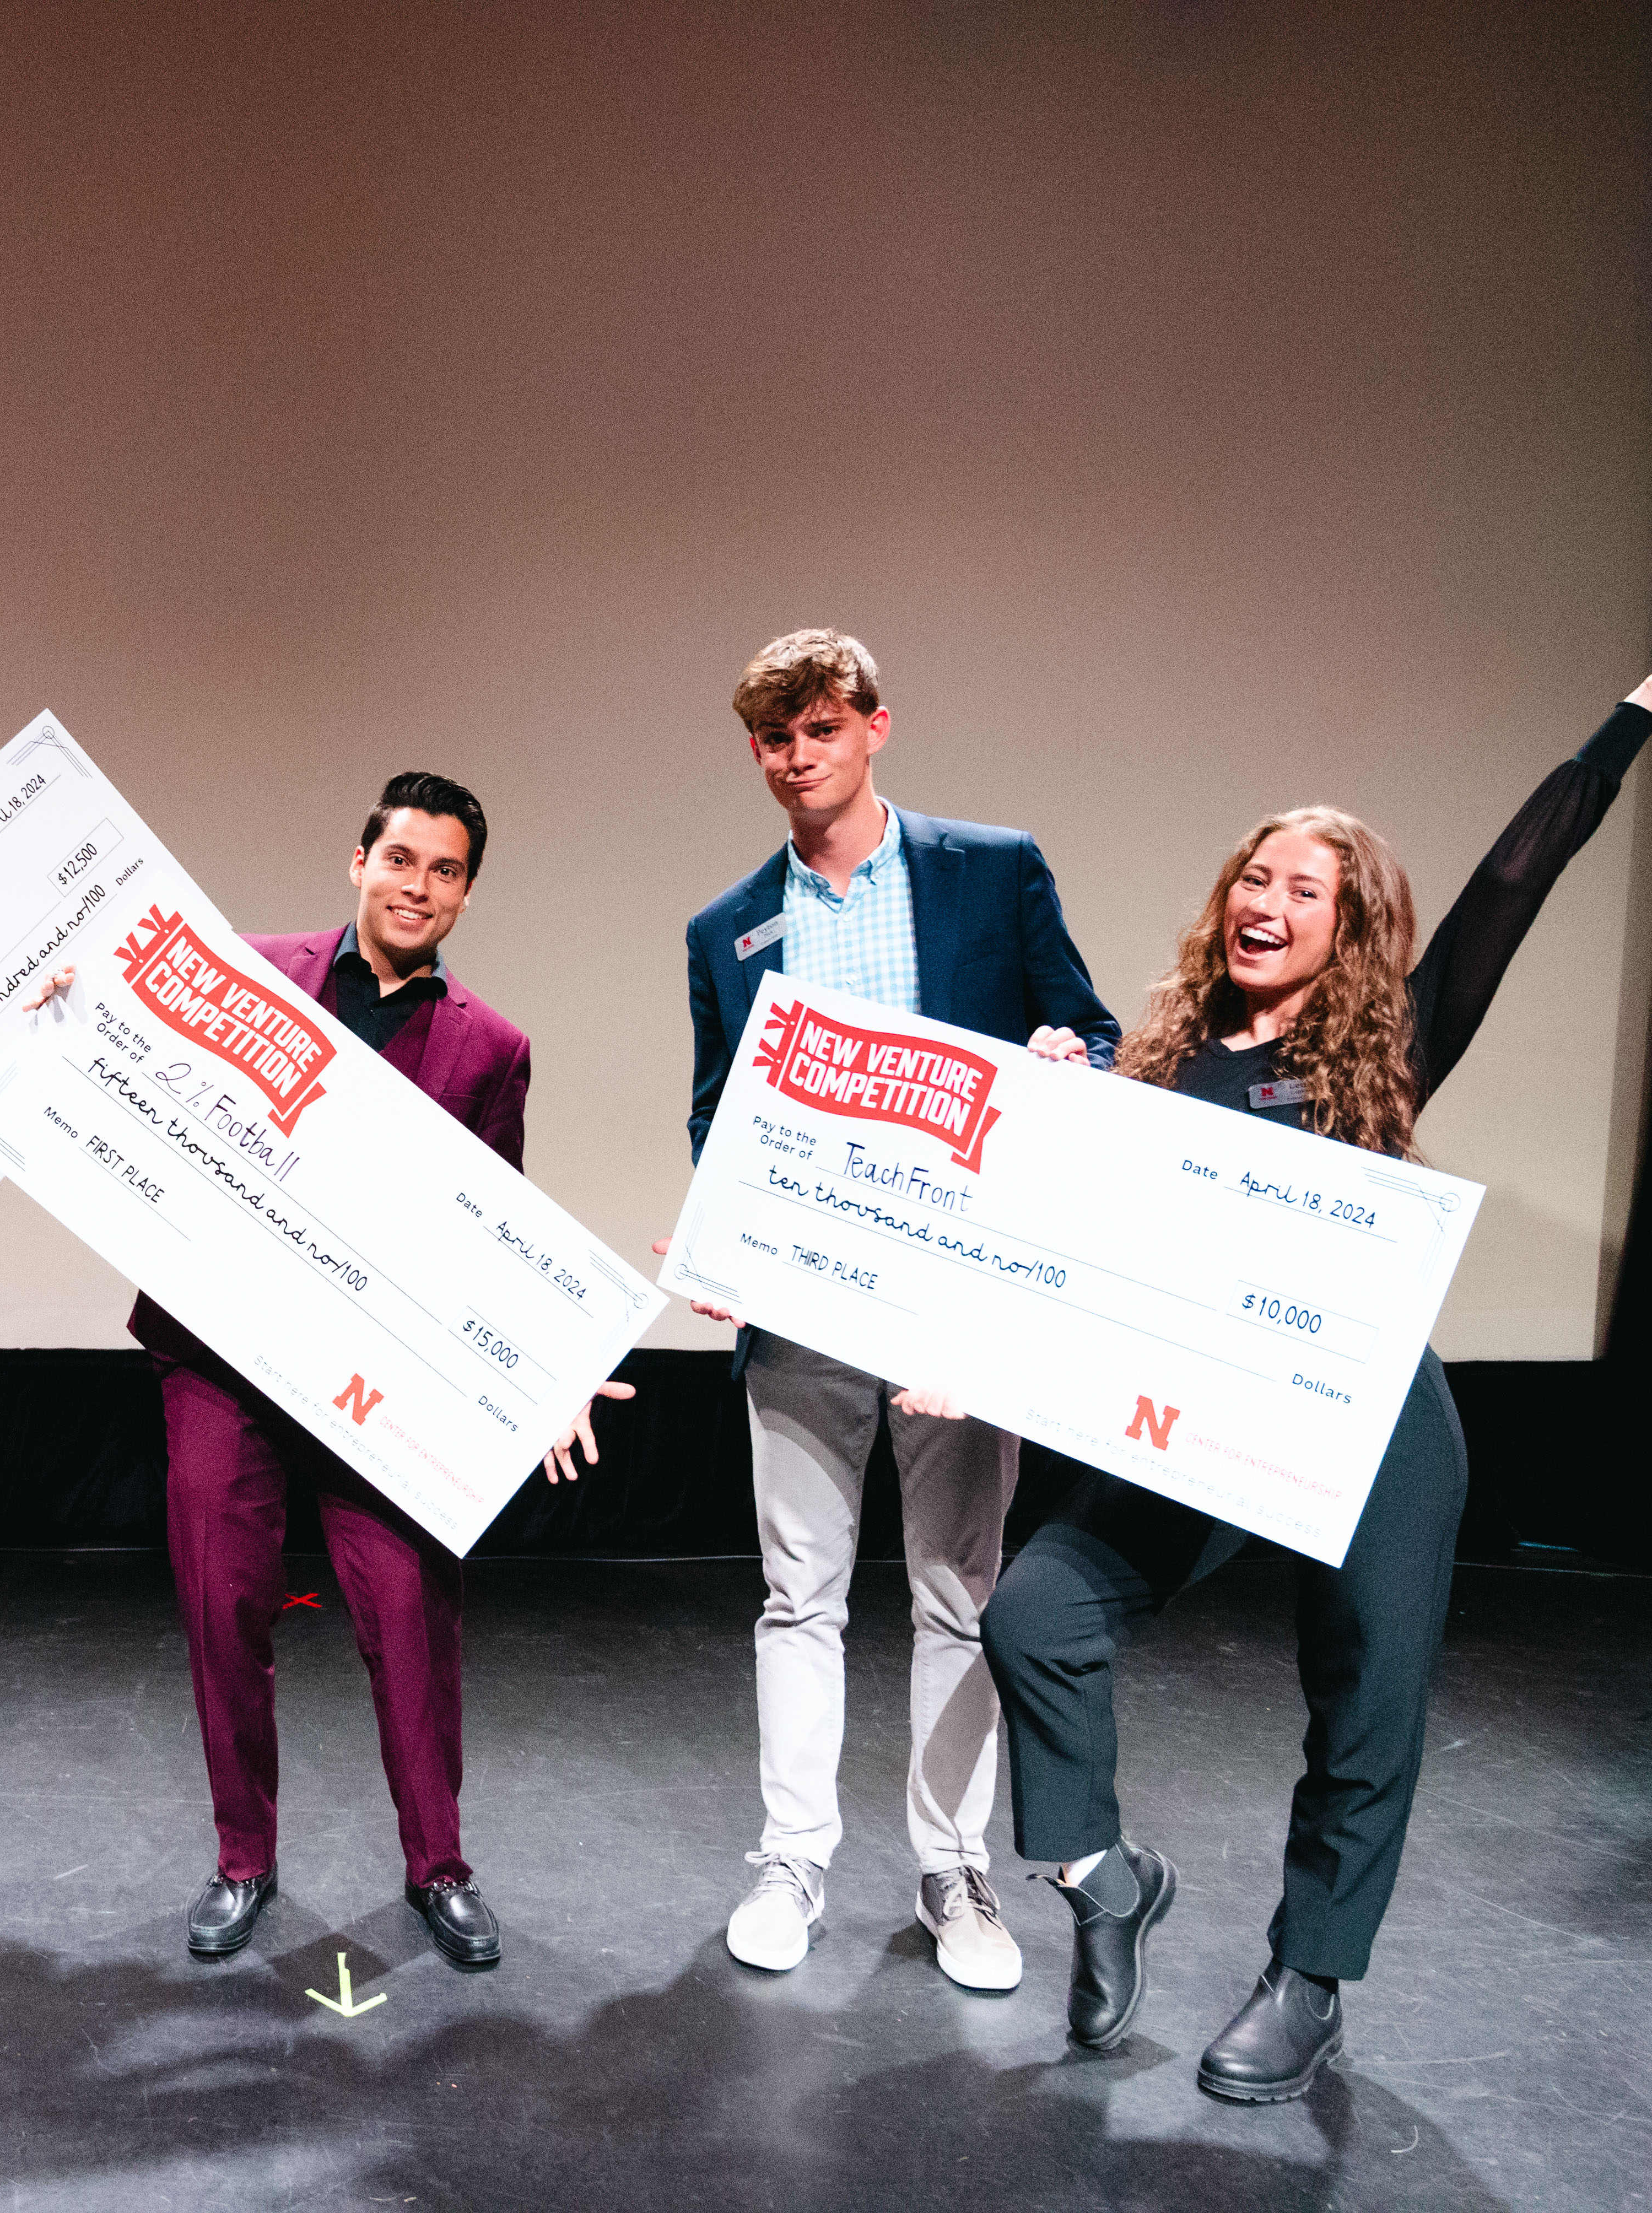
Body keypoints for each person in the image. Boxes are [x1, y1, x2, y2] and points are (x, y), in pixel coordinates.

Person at [978, 647, 1652, 2102]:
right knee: (1036, 1612)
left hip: (1367, 1422)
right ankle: (1102, 1877)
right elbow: (1080, 1251)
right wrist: (1050, 1102)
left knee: (1364, 1702)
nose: (1267, 901)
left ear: (1352, 928)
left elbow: (1510, 886)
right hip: (1199, 1417)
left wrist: (1640, 715)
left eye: (1306, 889)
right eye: (1257, 876)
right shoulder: (1158, 1063)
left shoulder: (1394, 1044)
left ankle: (1309, 1980)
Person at [87, 771, 627, 1969]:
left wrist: (549, 1369)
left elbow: (496, 1231)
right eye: (400, 860)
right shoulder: (246, 970)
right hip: (221, 1356)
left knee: (410, 1615)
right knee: (223, 1611)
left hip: (381, 1383)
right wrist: (75, 1010)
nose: (417, 886)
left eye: (443, 871)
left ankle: (438, 1865)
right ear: (358, 860)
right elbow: (133, 1060)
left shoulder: (492, 1048)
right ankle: (243, 1861)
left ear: (465, 892)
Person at [666, 629, 1116, 1994]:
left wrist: (1064, 1061)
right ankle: (793, 1855)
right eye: (773, 739)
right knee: (794, 1595)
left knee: (956, 1594)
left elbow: (1087, 1035)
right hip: (803, 1307)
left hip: (956, 1311)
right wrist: (722, 1230)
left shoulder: (993, 867)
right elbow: (714, 1115)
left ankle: (951, 1867)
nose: (796, 756)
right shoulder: (726, 926)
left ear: (873, 727)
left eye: (819, 727)